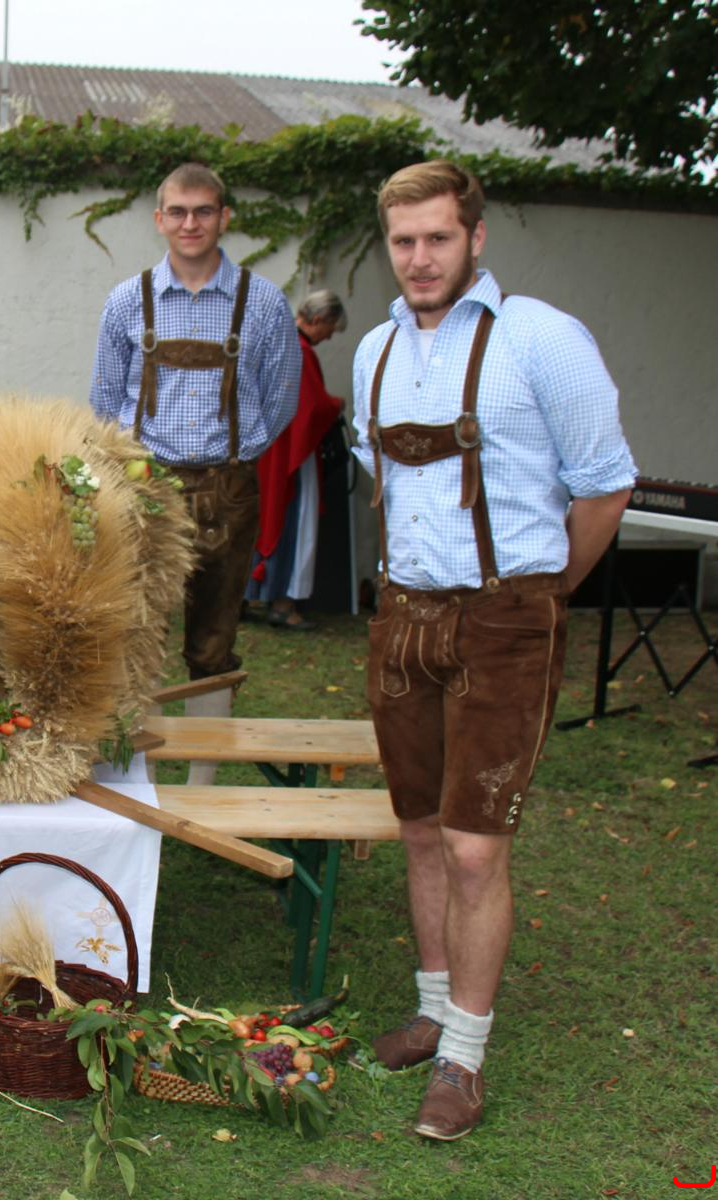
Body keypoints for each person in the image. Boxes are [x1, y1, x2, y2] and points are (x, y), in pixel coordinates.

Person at [350, 160, 634, 1141]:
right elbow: (383, 480)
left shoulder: (542, 338)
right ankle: (432, 1011)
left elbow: (604, 484)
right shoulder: (376, 350)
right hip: (403, 617)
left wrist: (543, 593)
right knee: (421, 828)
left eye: (437, 237)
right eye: (403, 241)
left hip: (506, 619)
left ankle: (463, 1060)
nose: (419, 258)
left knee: (475, 847)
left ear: (474, 237)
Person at [90, 162, 298, 782]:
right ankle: (142, 779)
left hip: (226, 487)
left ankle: (203, 782)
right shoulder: (127, 301)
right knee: (138, 632)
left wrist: (238, 452)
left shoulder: (262, 301)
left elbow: (281, 398)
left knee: (213, 641)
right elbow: (104, 401)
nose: (190, 223)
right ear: (160, 220)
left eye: (203, 211)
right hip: (144, 485)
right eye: (178, 212)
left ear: (223, 217)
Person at [247, 290, 348, 631]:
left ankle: (247, 596)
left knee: (261, 520)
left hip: (265, 451)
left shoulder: (273, 343)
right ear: (319, 319)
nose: (330, 336)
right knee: (295, 521)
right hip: (292, 453)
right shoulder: (300, 352)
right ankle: (284, 603)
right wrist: (336, 405)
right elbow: (310, 410)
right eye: (331, 328)